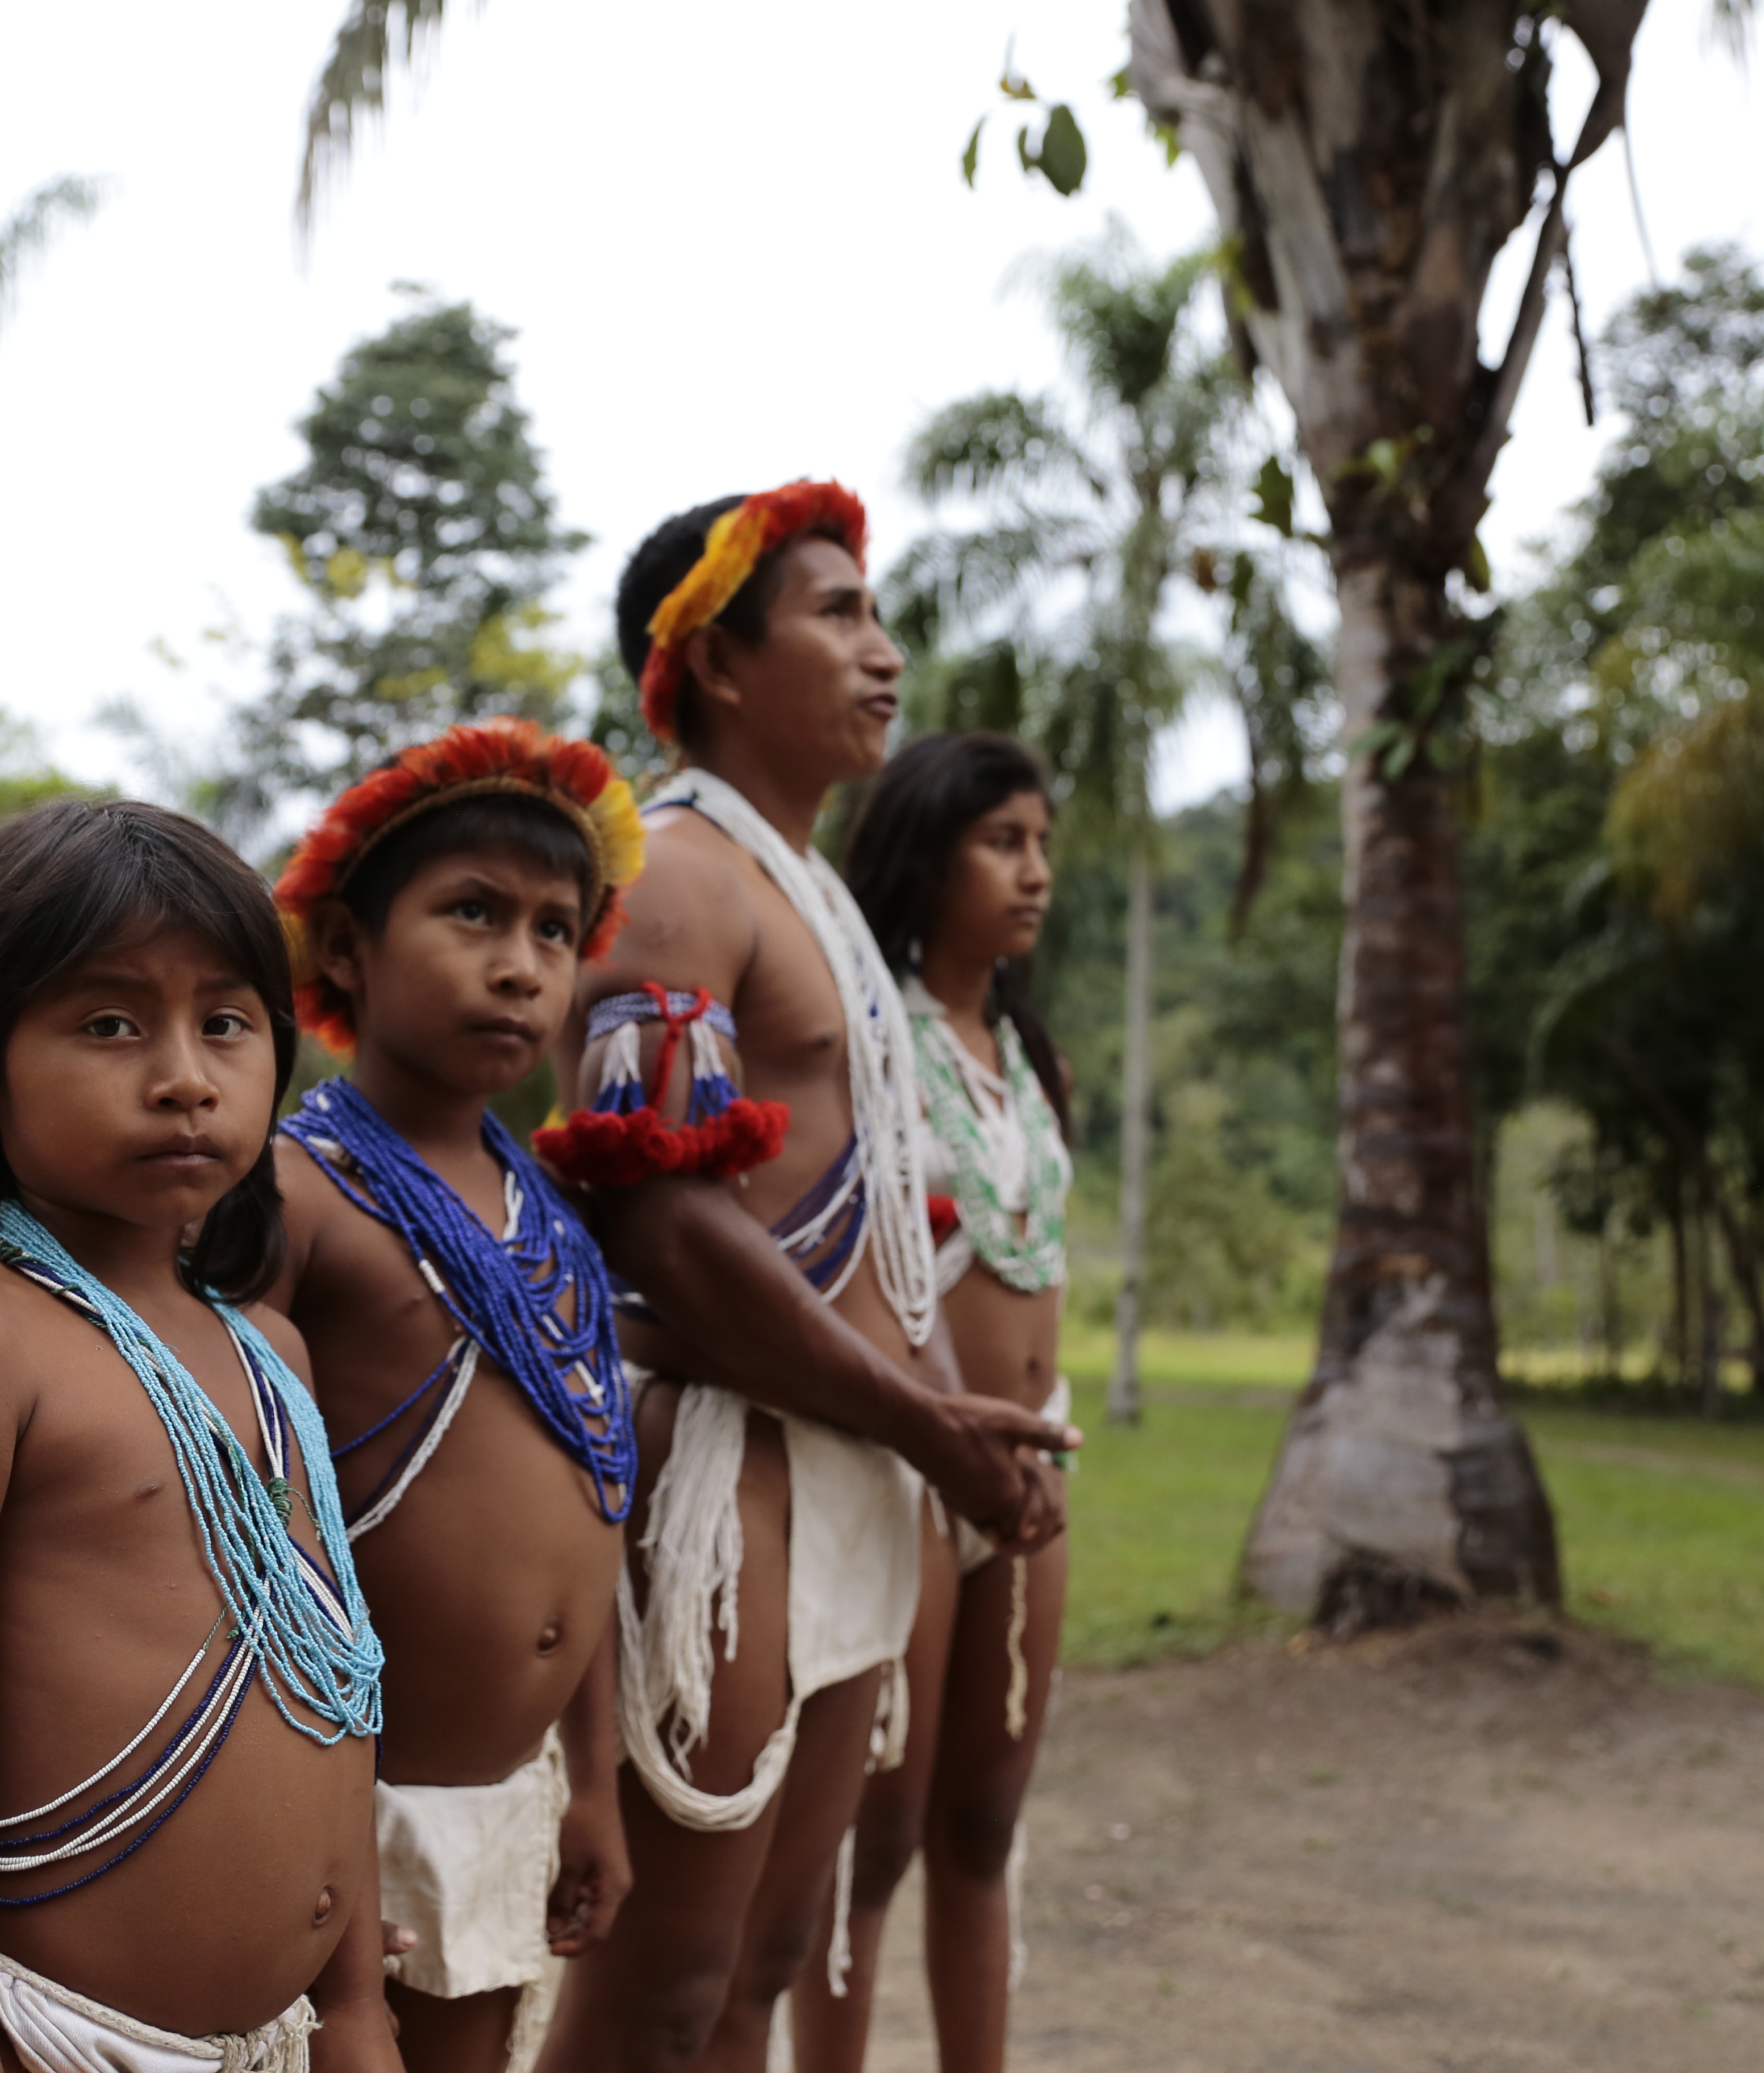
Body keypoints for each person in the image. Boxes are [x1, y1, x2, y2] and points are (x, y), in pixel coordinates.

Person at [528, 482, 1081, 2073]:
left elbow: (863, 1221)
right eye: (839, 614)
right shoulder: (679, 874)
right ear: (714, 659)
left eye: (878, 613)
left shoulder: (808, 891)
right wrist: (925, 1419)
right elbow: (658, 1224)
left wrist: (934, 1428)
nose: (884, 652)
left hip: (850, 1465)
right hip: (734, 1468)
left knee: (767, 1960)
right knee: (666, 1990)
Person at [0, 797, 394, 2073]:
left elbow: (334, 1683)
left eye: (226, 1023)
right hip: (57, 2043)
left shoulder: (272, 1352)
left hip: (283, 2041)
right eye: (111, 1025)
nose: (184, 1075)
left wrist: (354, 2009)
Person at [262, 718, 649, 2073]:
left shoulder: (549, 1219)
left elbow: (595, 1498)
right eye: (473, 913)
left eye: (555, 931)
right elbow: (226, 1528)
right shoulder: (295, 1196)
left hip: (507, 1794)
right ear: (346, 947)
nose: (520, 964)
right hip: (340, 1801)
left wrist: (592, 1782)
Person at [792, 733, 1077, 2073]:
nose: (1035, 873)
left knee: (985, 1823)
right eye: (1001, 843)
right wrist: (947, 1426)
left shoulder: (1023, 1053)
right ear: (926, 857)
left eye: (1042, 844)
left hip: (1036, 1460)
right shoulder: (867, 1042)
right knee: (877, 1831)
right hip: (913, 1461)